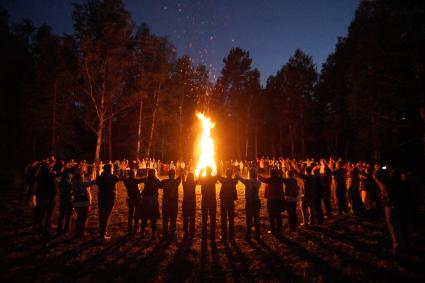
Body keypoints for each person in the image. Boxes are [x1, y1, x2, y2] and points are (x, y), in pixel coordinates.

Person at [96, 163, 120, 240]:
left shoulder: (100, 177)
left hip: (101, 197)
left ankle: (101, 231)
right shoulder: (112, 177)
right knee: (106, 215)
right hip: (110, 197)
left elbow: (97, 181)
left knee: (101, 214)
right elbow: (117, 178)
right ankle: (102, 234)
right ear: (110, 169)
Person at [236, 167, 261, 240]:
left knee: (249, 219)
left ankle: (248, 234)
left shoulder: (247, 182)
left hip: (249, 202)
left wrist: (237, 172)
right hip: (256, 202)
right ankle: (257, 234)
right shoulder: (258, 182)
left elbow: (239, 178)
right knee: (256, 218)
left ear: (249, 174)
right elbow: (258, 179)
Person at [259, 169, 285, 237]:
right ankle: (279, 230)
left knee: (271, 216)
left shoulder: (270, 180)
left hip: (271, 200)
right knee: (278, 215)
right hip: (279, 200)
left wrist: (256, 173)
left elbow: (262, 179)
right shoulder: (280, 179)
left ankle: (273, 230)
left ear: (271, 174)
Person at [36, 163, 57, 236]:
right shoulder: (47, 176)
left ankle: (41, 227)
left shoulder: (40, 176)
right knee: (48, 213)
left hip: (44, 196)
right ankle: (46, 229)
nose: (51, 168)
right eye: (49, 167)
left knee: (44, 212)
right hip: (49, 197)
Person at [71, 172, 96, 237]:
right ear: (80, 177)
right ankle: (82, 232)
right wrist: (95, 179)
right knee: (83, 218)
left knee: (79, 218)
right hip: (83, 202)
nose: (83, 177)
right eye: (82, 176)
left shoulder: (74, 183)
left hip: (76, 202)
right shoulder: (81, 183)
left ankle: (77, 232)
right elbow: (90, 183)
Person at [160, 169, 182, 240]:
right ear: (174, 174)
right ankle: (172, 233)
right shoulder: (176, 182)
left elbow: (159, 186)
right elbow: (180, 176)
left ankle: (165, 233)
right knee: (173, 219)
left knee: (165, 218)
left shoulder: (164, 181)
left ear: (168, 175)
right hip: (173, 204)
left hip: (166, 203)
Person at [139, 169, 161, 239]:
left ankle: (142, 233)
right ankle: (153, 234)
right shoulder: (156, 180)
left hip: (145, 200)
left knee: (144, 217)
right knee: (153, 218)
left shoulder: (146, 179)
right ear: (154, 173)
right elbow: (161, 186)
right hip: (153, 200)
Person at [199, 167, 218, 243]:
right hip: (212, 199)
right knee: (213, 217)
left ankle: (204, 232)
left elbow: (199, 177)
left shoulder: (203, 178)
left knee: (204, 217)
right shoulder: (213, 178)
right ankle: (212, 233)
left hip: (205, 199)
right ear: (210, 171)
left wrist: (201, 171)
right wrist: (215, 170)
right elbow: (218, 174)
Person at [218, 168, 238, 242]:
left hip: (224, 201)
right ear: (231, 174)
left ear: (226, 174)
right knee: (231, 218)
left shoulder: (224, 180)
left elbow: (218, 176)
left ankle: (224, 236)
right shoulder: (233, 181)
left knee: (223, 218)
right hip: (230, 201)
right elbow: (237, 179)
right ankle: (231, 236)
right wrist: (236, 173)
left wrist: (218, 170)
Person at [123, 170, 144, 235]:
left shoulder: (126, 181)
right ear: (133, 174)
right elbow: (143, 179)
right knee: (136, 214)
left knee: (130, 214)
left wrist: (124, 175)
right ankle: (135, 229)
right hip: (137, 198)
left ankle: (129, 229)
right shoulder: (135, 180)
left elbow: (124, 178)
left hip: (130, 198)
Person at [57, 169, 74, 235]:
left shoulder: (61, 183)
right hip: (68, 201)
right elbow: (70, 192)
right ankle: (66, 230)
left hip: (62, 200)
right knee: (68, 216)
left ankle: (59, 229)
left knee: (61, 215)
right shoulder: (68, 184)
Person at [182, 172, 197, 238]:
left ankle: (186, 232)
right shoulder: (193, 184)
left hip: (185, 202)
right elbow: (198, 179)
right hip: (192, 202)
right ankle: (191, 232)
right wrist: (200, 172)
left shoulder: (184, 184)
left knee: (185, 218)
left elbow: (182, 179)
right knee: (192, 218)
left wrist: (182, 175)